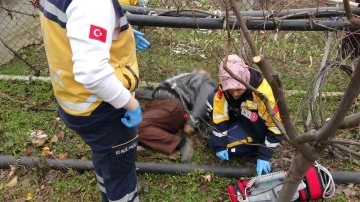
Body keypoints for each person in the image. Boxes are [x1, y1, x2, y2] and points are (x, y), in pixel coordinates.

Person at [38, 0, 149, 201]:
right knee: (120, 174)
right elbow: (93, 75)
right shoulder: (93, 4)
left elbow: (75, 27)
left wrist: (110, 32)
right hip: (103, 109)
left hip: (74, 99)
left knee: (106, 160)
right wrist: (131, 105)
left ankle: (108, 193)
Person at [207, 55, 282, 176]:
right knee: (211, 100)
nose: (235, 94)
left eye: (238, 90)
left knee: (216, 144)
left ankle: (255, 149)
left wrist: (264, 155)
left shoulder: (264, 94)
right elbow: (219, 114)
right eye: (230, 91)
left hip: (256, 127)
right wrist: (219, 143)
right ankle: (230, 130)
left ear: (245, 79)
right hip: (241, 116)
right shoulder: (225, 86)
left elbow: (276, 128)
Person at [136, 69, 216, 162]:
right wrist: (134, 92)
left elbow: (203, 100)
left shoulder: (205, 80)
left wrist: (191, 122)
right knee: (129, 124)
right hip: (158, 104)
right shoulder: (183, 78)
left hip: (172, 105)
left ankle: (180, 143)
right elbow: (158, 92)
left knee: (136, 125)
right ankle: (144, 139)